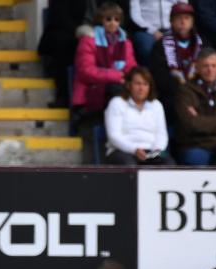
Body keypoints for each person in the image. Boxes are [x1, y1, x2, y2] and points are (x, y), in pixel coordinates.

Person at [71, 2, 136, 138]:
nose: (113, 23)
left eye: (116, 19)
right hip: (91, 90)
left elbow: (131, 67)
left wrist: (132, 79)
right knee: (118, 92)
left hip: (116, 88)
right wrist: (117, 76)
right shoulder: (88, 40)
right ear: (100, 20)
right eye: (108, 19)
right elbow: (86, 72)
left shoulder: (125, 41)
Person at [173, 48, 216, 165]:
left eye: (214, 66)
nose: (210, 70)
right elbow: (190, 124)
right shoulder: (185, 91)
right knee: (197, 159)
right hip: (195, 145)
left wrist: (200, 120)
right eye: (205, 66)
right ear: (197, 68)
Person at [104, 66, 173, 164]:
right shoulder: (117, 103)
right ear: (128, 85)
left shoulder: (156, 105)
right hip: (123, 151)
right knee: (129, 165)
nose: (141, 88)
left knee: (169, 162)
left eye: (145, 84)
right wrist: (134, 149)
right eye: (138, 84)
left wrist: (156, 151)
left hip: (151, 152)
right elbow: (114, 136)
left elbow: (162, 134)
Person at [149, 2, 203, 117]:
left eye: (187, 18)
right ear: (171, 22)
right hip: (173, 95)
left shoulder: (202, 44)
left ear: (192, 22)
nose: (183, 22)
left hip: (198, 91)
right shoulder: (160, 46)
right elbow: (160, 77)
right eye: (179, 18)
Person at [129, 0, 179, 65]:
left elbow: (183, 7)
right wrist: (153, 31)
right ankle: (147, 73)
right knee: (146, 48)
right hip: (146, 30)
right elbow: (135, 15)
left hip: (172, 28)